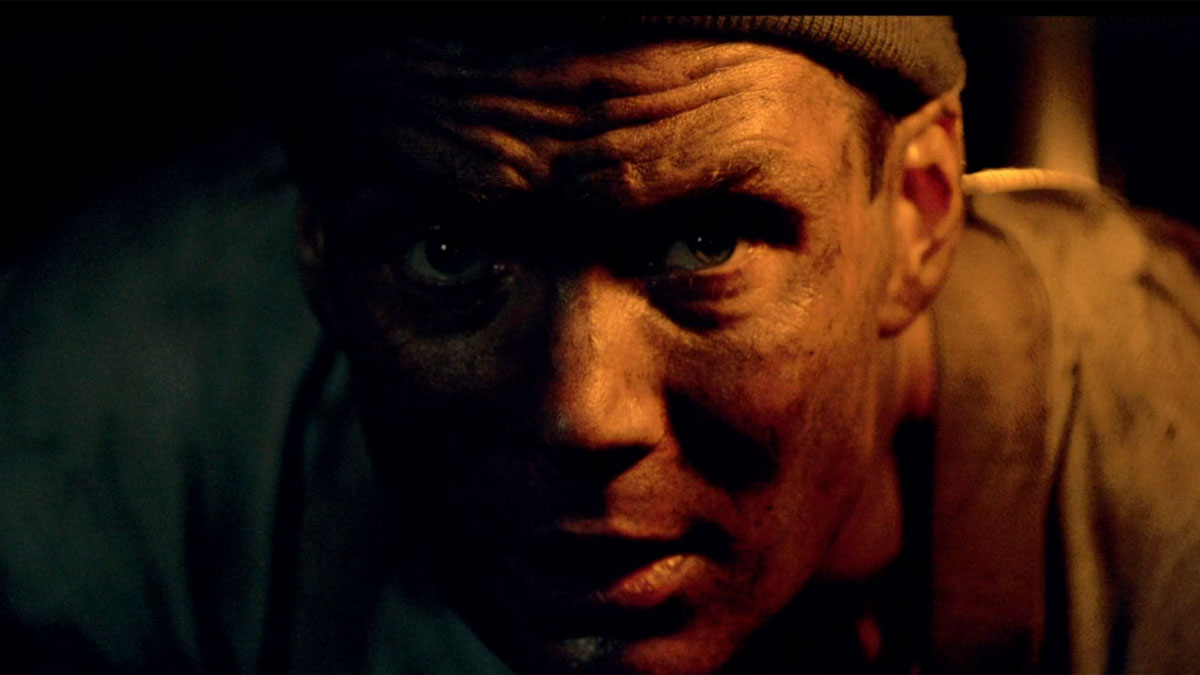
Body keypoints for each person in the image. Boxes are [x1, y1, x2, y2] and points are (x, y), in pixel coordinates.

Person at [2, 15, 1199, 674]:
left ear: (919, 214)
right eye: (448, 251)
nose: (584, 414)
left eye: (707, 241)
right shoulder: (103, 420)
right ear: (316, 247)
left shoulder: (1170, 464)